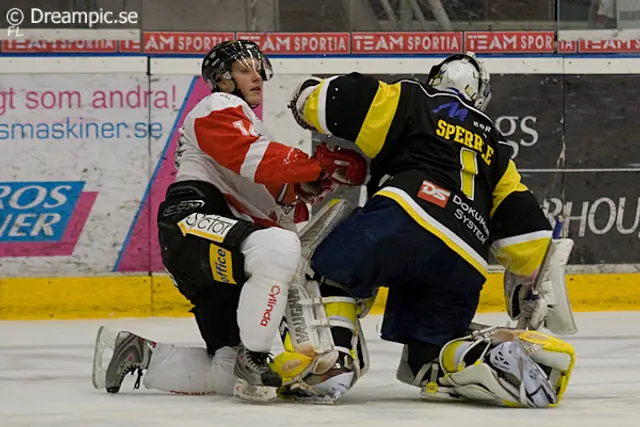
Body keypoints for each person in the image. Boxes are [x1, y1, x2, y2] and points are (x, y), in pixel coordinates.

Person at [283, 52, 577, 407]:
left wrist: (305, 96)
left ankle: (332, 364)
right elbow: (526, 230)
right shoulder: (496, 147)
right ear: (480, 94)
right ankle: (486, 356)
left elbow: (345, 99)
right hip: (464, 257)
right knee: (428, 360)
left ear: (436, 79)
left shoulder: (416, 98)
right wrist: (530, 281)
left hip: (405, 216)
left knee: (324, 269)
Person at [91, 40, 367, 402]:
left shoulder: (252, 127)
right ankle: (253, 356)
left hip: (216, 252)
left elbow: (274, 203)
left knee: (228, 373)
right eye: (244, 69)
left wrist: (313, 184)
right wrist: (313, 165)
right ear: (222, 80)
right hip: (193, 219)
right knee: (278, 247)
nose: (257, 76)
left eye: (258, 69)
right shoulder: (219, 105)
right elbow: (249, 156)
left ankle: (134, 352)